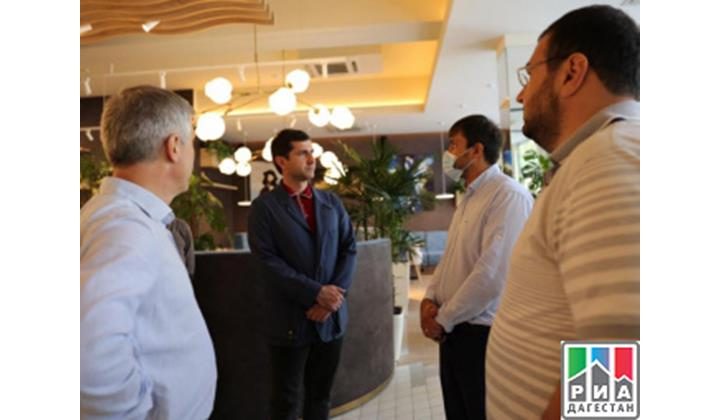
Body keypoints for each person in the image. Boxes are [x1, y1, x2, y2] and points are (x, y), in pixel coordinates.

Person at [485, 5, 640, 419]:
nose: (521, 95)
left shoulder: (610, 155)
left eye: (529, 75)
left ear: (572, 72)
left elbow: (624, 348)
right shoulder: (599, 155)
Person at [80, 86, 217, 419]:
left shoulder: (124, 217)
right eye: (192, 142)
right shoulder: (125, 228)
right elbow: (88, 352)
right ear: (174, 146)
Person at [420, 115, 533, 420]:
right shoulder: (469, 198)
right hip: (453, 331)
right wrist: (429, 299)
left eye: (454, 145)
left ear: (477, 150)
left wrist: (443, 318)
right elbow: (450, 258)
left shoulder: (507, 195)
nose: (448, 153)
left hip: (482, 334)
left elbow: (493, 274)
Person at [248, 129, 357, 420]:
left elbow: (348, 249)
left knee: (321, 398)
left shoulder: (331, 203)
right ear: (281, 161)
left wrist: (331, 298)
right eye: (303, 153)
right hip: (289, 320)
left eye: (312, 152)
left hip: (330, 318)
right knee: (285, 403)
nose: (311, 159)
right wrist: (315, 293)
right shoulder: (264, 208)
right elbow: (267, 262)